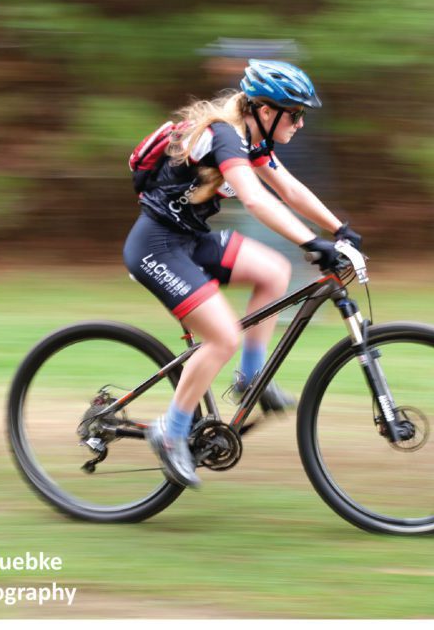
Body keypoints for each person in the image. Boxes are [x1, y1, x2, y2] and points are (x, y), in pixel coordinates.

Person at [122, 60, 363, 488]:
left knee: (274, 270)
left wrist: (338, 228)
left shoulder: (251, 142)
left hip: (190, 238)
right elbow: (254, 199)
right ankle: (170, 431)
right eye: (296, 113)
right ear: (266, 112)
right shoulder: (224, 136)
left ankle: (250, 379)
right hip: (156, 246)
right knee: (222, 337)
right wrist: (313, 243)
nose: (301, 123)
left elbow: (288, 189)